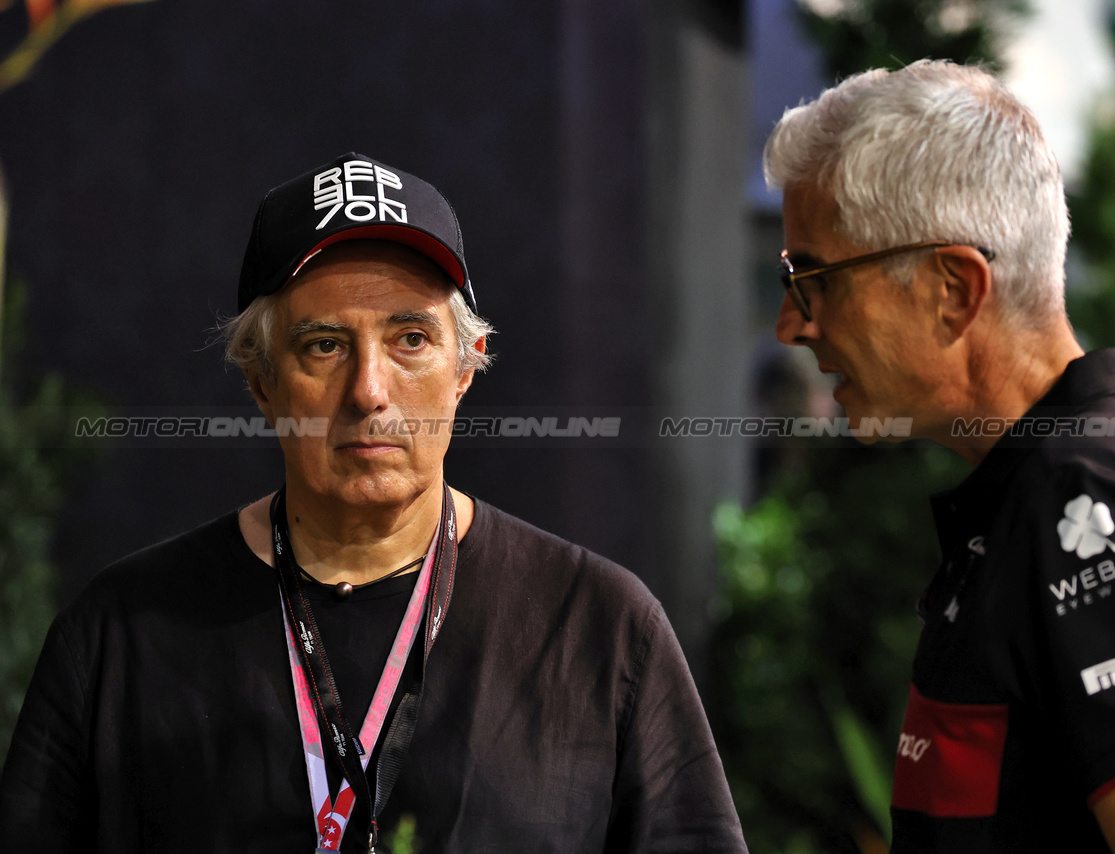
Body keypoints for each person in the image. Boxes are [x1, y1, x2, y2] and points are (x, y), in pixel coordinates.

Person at [0, 152, 747, 853]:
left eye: (411, 339)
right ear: (262, 381)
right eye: (324, 345)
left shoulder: (602, 630)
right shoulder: (119, 638)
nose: (369, 390)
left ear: (466, 367)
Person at [766, 62, 1115, 853]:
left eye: (813, 280)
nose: (791, 326)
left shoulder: (1091, 498)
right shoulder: (1062, 479)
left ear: (953, 289)